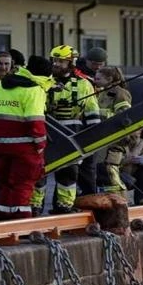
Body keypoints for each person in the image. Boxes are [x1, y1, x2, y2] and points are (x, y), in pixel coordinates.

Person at [32, 45, 98, 214]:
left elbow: (92, 111)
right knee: (40, 171)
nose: (56, 64)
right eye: (54, 60)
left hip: (74, 132)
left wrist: (94, 134)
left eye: (61, 61)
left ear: (71, 63)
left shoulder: (84, 84)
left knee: (69, 173)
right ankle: (35, 206)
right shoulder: (43, 82)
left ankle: (64, 206)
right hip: (47, 131)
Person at [0, 56, 49, 219]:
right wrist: (41, 144)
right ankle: (22, 222)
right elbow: (35, 121)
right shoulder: (35, 90)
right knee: (23, 184)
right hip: (24, 147)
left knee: (4, 182)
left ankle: (4, 216)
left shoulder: (0, 85)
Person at [95, 66, 134, 194]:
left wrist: (98, 114)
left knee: (111, 170)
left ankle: (120, 200)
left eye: (98, 78)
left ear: (109, 79)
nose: (95, 80)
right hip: (102, 139)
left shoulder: (120, 93)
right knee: (103, 172)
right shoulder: (100, 92)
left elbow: (124, 117)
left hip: (115, 140)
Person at [116, 126, 143, 205]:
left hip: (135, 178)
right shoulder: (118, 144)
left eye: (139, 130)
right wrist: (128, 159)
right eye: (135, 130)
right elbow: (111, 160)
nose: (138, 132)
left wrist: (141, 160)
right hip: (120, 176)